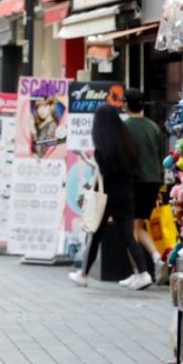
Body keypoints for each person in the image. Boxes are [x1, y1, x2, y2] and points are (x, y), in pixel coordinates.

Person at [68, 104, 153, 290]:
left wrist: (87, 160)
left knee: (95, 235)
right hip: (126, 195)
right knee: (129, 237)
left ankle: (83, 274)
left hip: (105, 198)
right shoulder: (128, 141)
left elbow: (105, 172)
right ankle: (144, 273)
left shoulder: (103, 147)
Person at [123, 88, 168, 284]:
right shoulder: (154, 127)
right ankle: (156, 258)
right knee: (139, 226)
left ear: (126, 104)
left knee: (130, 230)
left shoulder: (124, 127)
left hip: (134, 182)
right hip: (153, 181)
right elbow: (161, 158)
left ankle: (139, 272)